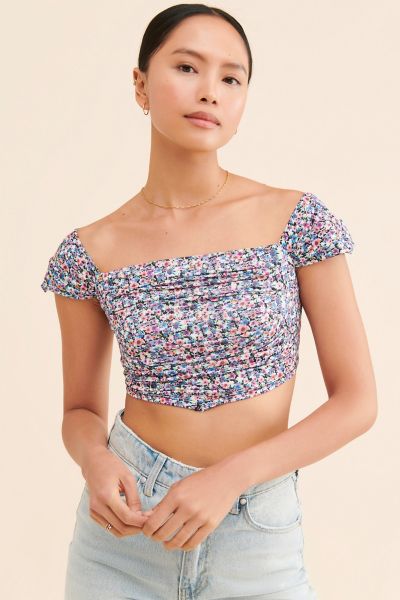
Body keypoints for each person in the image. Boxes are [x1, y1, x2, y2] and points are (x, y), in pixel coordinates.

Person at [40, 3, 377, 599]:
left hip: (256, 535)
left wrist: (231, 478)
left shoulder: (296, 221)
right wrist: (96, 461)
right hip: (125, 537)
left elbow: (358, 402)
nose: (210, 92)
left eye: (231, 78)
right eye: (187, 67)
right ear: (140, 85)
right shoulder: (90, 251)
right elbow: (80, 411)